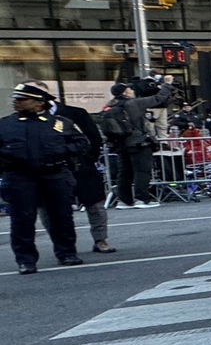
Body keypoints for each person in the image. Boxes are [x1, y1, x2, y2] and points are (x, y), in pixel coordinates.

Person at [1, 82, 87, 273]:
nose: (17, 102)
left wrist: (60, 151)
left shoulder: (60, 123)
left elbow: (82, 143)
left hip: (54, 175)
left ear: (39, 103)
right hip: (20, 177)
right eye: (16, 99)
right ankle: (26, 260)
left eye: (22, 99)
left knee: (61, 217)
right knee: (22, 220)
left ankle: (67, 253)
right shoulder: (5, 125)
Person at [23, 82, 116, 255]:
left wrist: (87, 159)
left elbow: (93, 138)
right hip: (48, 171)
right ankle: (61, 244)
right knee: (48, 208)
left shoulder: (74, 114)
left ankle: (100, 239)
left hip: (79, 166)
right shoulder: (24, 119)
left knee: (94, 204)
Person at [103, 77, 172, 208]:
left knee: (124, 173)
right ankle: (141, 199)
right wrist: (167, 85)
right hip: (138, 142)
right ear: (125, 92)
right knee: (142, 171)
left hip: (120, 144)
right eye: (129, 88)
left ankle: (124, 201)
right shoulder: (133, 103)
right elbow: (159, 98)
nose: (132, 90)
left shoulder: (109, 105)